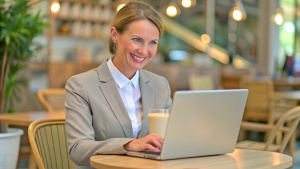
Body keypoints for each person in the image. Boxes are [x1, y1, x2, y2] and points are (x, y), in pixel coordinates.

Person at [65, 2, 172, 168]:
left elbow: (174, 138)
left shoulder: (160, 85)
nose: (144, 51)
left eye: (153, 43)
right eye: (137, 40)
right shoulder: (81, 86)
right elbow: (78, 149)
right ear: (114, 34)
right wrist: (129, 145)